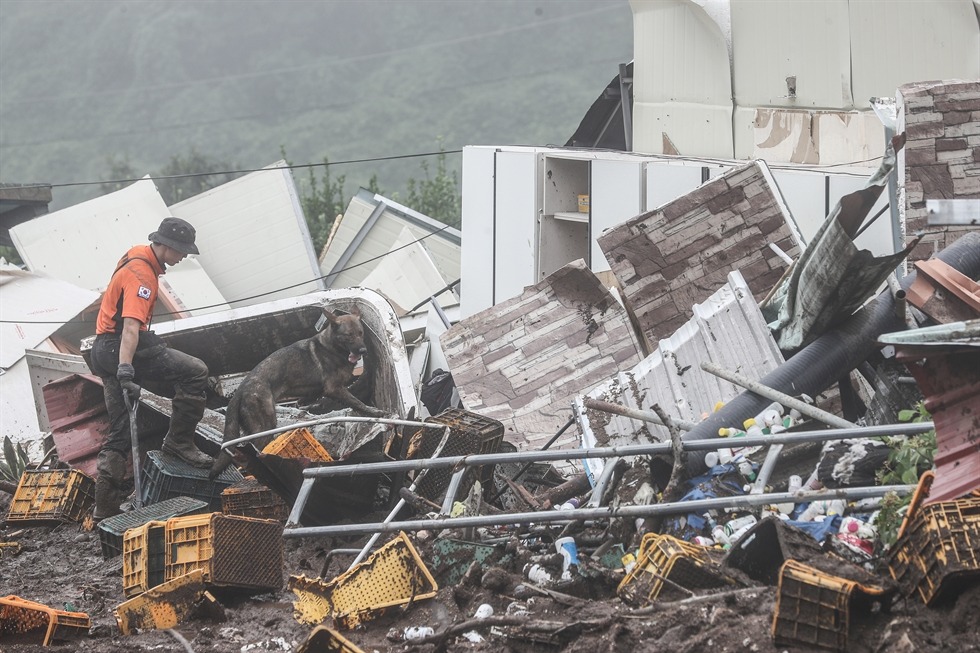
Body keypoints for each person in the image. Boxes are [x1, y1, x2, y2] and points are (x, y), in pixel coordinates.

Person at [89, 216, 214, 520]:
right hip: (121, 347)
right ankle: (179, 443)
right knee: (196, 371)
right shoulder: (142, 277)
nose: (184, 255)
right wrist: (126, 369)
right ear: (167, 245)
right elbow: (131, 327)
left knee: (119, 429)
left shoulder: (134, 254)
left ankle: (104, 508)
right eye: (182, 250)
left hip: (102, 347)